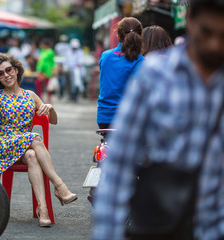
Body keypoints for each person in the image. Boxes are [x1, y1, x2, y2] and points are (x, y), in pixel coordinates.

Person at [92, 0, 224, 239]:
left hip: (104, 116)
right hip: (163, 220)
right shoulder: (155, 74)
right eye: (207, 32)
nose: (214, 44)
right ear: (190, 22)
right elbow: (119, 167)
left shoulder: (109, 57)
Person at [0, 53, 77, 228]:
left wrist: (50, 107)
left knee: (32, 157)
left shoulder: (31, 95)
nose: (6, 75)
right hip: (3, 147)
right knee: (34, 138)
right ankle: (60, 186)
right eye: (0, 73)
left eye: (9, 70)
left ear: (16, 70)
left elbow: (53, 121)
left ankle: (42, 210)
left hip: (24, 148)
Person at [96, 17, 144, 129]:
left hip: (103, 118)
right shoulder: (140, 61)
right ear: (140, 36)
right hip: (126, 118)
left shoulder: (105, 56)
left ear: (118, 35)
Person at [36, 38, 55, 103]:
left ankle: (49, 100)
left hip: (47, 71)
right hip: (42, 71)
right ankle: (40, 98)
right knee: (38, 84)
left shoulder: (50, 51)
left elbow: (45, 61)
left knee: (48, 86)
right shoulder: (42, 51)